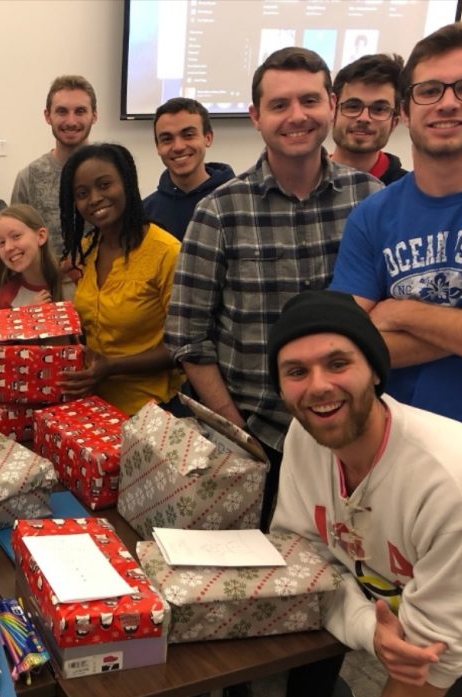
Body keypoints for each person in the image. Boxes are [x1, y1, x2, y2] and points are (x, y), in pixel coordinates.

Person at [268, 290, 462, 697]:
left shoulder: (457, 486)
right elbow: (299, 556)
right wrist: (366, 629)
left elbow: (427, 668)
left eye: (338, 363)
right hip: (427, 639)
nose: (318, 386)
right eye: (296, 372)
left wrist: (378, 636)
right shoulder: (306, 437)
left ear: (376, 371)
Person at [164, 46, 382, 531]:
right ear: (256, 117)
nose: (297, 116)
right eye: (280, 105)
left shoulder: (372, 200)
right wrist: (240, 435)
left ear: (331, 104)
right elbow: (187, 338)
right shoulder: (220, 211)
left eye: (309, 101)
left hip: (357, 441)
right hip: (259, 442)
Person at [329, 21, 462, 485]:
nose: (447, 102)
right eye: (428, 90)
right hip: (402, 451)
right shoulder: (372, 216)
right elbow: (346, 351)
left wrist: (404, 312)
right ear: (405, 110)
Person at [57, 143, 183, 416]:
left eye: (104, 185)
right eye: (82, 193)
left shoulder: (166, 252)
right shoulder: (87, 249)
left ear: (126, 183)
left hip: (151, 410)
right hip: (93, 406)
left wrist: (111, 366)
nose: (94, 198)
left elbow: (180, 349)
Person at [11, 74, 98, 258]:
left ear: (94, 116)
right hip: (49, 285)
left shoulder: (112, 173)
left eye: (80, 111)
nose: (71, 121)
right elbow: (17, 243)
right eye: (62, 111)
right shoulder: (29, 178)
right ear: (47, 116)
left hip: (106, 284)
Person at [143, 97, 235, 239]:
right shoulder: (145, 213)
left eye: (188, 135)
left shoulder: (239, 201)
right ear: (158, 147)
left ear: (208, 138)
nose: (178, 147)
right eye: (167, 139)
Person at [330, 53, 408, 184]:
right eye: (353, 106)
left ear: (394, 123)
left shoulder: (410, 192)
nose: (364, 118)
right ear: (332, 113)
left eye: (378, 109)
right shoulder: (302, 181)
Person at [0, 204, 66, 310]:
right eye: (1, 242)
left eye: (16, 236)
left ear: (41, 236)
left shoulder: (75, 276)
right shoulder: (3, 296)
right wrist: (28, 314)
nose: (8, 247)